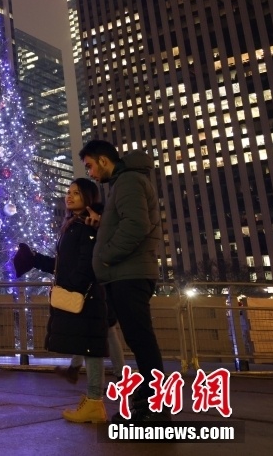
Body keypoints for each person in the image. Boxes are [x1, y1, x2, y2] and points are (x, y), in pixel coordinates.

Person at [79, 139, 168, 423]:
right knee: (138, 339)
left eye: (91, 166)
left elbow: (136, 225)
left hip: (130, 274)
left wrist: (105, 256)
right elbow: (129, 222)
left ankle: (155, 409)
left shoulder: (128, 182)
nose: (91, 173)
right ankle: (147, 405)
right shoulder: (126, 183)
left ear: (104, 160)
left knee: (141, 340)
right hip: (126, 273)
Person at [14, 178, 109, 423]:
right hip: (82, 293)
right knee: (90, 348)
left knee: (93, 349)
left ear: (88, 196)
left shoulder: (88, 225)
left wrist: (70, 287)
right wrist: (35, 259)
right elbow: (63, 265)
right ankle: (93, 401)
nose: (69, 196)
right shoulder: (73, 225)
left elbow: (86, 264)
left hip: (86, 296)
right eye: (68, 192)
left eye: (76, 193)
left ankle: (95, 402)